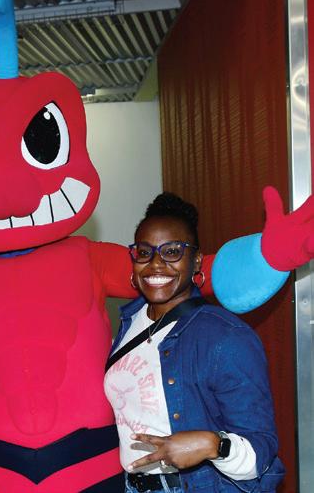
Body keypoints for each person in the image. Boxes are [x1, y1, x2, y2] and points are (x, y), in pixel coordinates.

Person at [104, 192, 285, 493]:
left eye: (172, 251)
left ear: (197, 260)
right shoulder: (129, 321)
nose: (156, 264)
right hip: (132, 485)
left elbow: (261, 450)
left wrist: (212, 445)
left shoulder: (226, 337)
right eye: (144, 252)